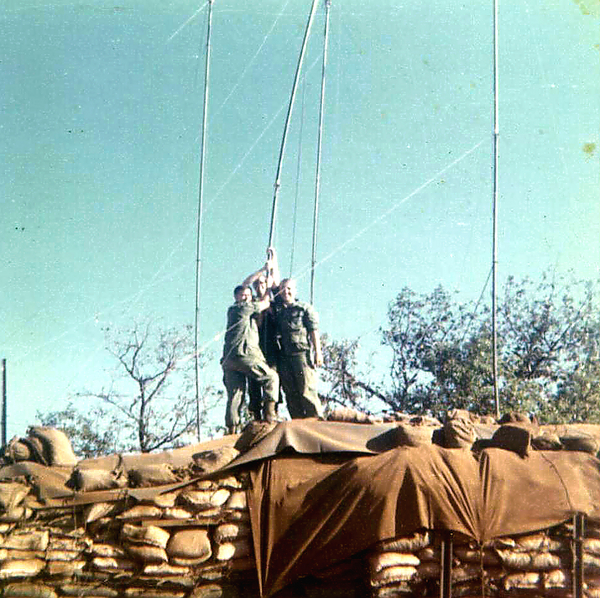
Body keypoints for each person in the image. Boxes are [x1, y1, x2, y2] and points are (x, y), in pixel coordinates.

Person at [221, 264, 279, 434]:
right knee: (271, 378)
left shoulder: (235, 310)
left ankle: (232, 430)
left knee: (236, 393)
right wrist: (267, 285)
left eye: (248, 295)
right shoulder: (245, 308)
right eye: (243, 295)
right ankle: (270, 417)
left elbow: (246, 286)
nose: (246, 297)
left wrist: (263, 270)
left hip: (228, 360)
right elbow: (266, 303)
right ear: (236, 297)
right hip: (243, 354)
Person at [274, 278, 324, 419]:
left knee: (306, 390)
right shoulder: (279, 312)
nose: (286, 292)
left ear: (295, 291)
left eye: (289, 288)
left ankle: (316, 422)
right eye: (283, 289)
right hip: (285, 356)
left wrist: (318, 352)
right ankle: (298, 425)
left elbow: (314, 330)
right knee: (290, 393)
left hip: (301, 354)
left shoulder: (304, 308)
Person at [245, 248, 282, 422]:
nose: (260, 286)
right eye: (257, 284)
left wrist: (273, 264)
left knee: (273, 378)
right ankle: (255, 415)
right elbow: (244, 285)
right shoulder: (250, 302)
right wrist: (261, 270)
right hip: (253, 348)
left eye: (262, 283)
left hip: (271, 346)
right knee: (253, 381)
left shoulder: (273, 302)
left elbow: (277, 284)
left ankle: (272, 413)